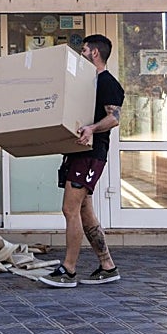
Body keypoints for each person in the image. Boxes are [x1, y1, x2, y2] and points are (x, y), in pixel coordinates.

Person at [40, 33, 125, 287]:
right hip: (77, 152)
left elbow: (114, 118)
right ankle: (107, 266)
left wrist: (91, 129)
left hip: (91, 153)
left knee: (70, 209)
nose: (81, 54)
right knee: (84, 211)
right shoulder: (86, 82)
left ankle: (68, 270)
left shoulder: (107, 82)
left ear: (95, 53)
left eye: (84, 50)